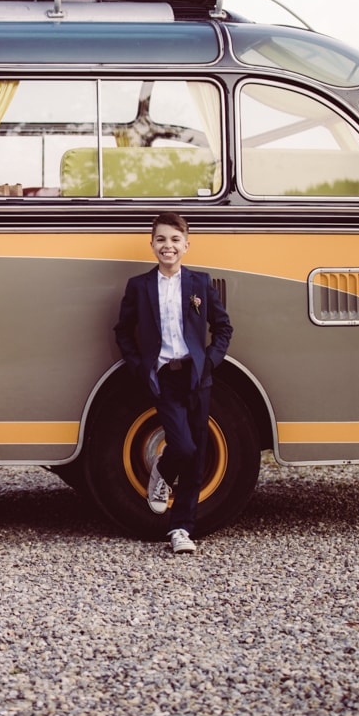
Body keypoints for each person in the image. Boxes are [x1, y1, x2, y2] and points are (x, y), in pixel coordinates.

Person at [114, 212, 233, 556]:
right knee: (182, 448)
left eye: (175, 240)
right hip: (164, 377)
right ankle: (161, 475)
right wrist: (139, 367)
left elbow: (223, 327)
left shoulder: (200, 284)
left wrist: (209, 362)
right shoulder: (139, 286)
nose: (168, 246)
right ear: (151, 244)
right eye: (161, 240)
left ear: (187, 245)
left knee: (197, 461)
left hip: (197, 377)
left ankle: (181, 528)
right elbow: (123, 331)